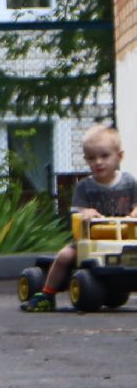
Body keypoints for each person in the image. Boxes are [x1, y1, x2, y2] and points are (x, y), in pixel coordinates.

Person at [21, 124, 137, 312]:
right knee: (65, 255)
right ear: (86, 160)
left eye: (104, 156)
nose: (98, 162)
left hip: (126, 239)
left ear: (119, 156)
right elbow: (77, 212)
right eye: (92, 158)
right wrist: (86, 213)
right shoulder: (84, 187)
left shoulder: (129, 182)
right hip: (90, 240)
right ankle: (47, 293)